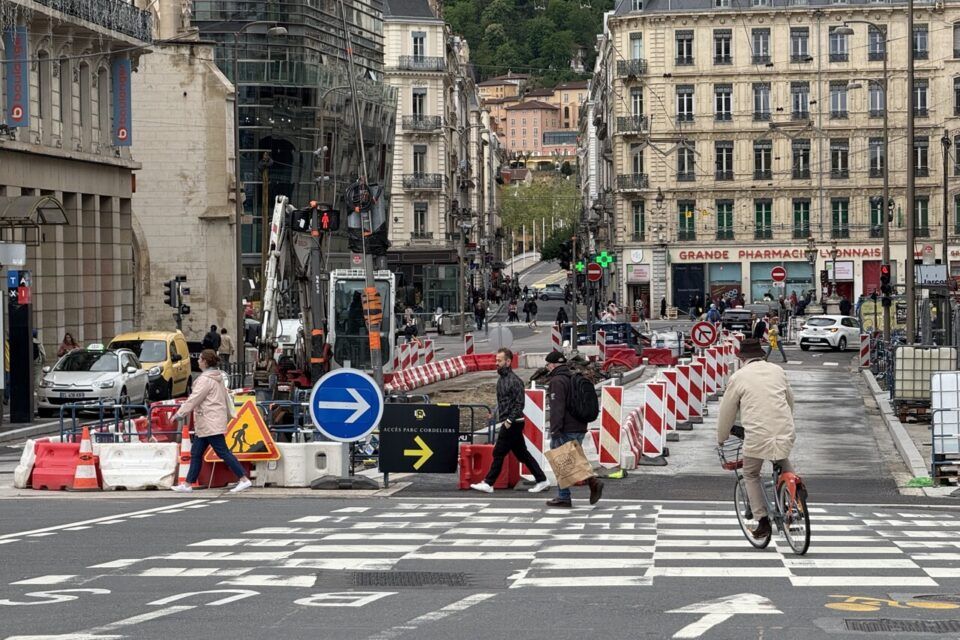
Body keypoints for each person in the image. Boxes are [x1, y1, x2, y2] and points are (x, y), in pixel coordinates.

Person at [716, 338, 797, 539]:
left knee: (751, 473)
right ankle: (795, 499)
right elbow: (789, 400)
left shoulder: (739, 377)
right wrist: (785, 421)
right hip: (784, 429)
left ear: (741, 358)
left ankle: (762, 521)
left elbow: (727, 411)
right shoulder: (777, 370)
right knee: (782, 459)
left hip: (757, 434)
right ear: (761, 355)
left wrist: (722, 437)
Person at [171, 350, 252, 494]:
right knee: (196, 453)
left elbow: (194, 399)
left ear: (205, 362)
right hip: (210, 421)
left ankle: (244, 479)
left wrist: (179, 414)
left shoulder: (205, 380)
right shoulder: (217, 377)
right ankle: (188, 484)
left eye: (200, 359)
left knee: (222, 452)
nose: (198, 361)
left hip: (209, 421)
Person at [471, 349, 551, 494]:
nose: (496, 363)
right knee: (522, 454)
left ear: (508, 362)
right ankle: (542, 480)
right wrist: (495, 414)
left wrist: (508, 420)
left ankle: (488, 483)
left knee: (498, 452)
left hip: (513, 422)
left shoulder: (514, 381)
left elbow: (519, 403)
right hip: (511, 421)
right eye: (496, 360)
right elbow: (504, 401)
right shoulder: (502, 379)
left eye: (499, 360)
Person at [543, 351, 603, 507]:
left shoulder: (557, 381)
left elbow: (557, 408)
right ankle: (591, 483)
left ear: (552, 365)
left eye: (547, 365)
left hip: (565, 428)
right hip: (580, 426)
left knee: (561, 461)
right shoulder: (573, 377)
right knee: (574, 460)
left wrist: (555, 430)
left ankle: (565, 496)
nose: (547, 368)